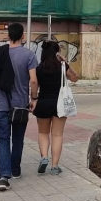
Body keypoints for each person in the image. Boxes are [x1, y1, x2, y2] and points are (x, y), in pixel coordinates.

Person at [0, 23, 38, 192]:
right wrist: (34, 98)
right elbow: (33, 80)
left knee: (3, 139)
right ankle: (15, 169)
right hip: (20, 105)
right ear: (22, 36)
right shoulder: (29, 55)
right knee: (17, 138)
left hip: (1, 105)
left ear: (8, 35)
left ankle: (3, 176)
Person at [32, 41, 78, 175]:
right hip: (60, 104)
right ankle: (54, 166)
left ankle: (44, 157)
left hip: (43, 103)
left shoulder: (39, 68)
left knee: (43, 133)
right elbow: (75, 78)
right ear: (57, 52)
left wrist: (33, 98)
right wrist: (66, 61)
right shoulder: (62, 67)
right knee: (57, 134)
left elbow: (34, 84)